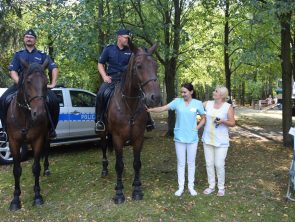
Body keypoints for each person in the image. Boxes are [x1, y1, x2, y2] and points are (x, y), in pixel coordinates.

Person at [0, 29, 59, 142]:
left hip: (38, 87)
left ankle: (51, 129)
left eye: (31, 37)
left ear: (35, 40)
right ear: (24, 39)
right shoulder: (19, 55)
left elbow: (54, 68)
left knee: (54, 101)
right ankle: (4, 131)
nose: (29, 38)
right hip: (20, 85)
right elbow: (12, 70)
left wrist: (53, 83)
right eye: (27, 37)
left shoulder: (42, 55)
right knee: (3, 99)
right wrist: (19, 82)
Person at [148, 83, 205, 196]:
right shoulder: (177, 102)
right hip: (179, 137)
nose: (183, 94)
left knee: (191, 163)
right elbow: (163, 108)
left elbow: (204, 118)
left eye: (185, 92)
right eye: (182, 92)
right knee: (181, 163)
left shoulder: (197, 103)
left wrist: (197, 128)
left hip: (192, 138)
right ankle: (180, 187)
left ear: (191, 92)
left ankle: (191, 187)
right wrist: (151, 110)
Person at [95, 28, 154, 132]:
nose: (128, 40)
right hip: (111, 79)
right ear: (119, 37)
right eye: (126, 38)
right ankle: (99, 121)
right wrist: (104, 76)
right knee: (100, 94)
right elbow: (100, 64)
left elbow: (140, 59)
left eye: (128, 38)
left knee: (142, 94)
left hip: (127, 80)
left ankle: (148, 120)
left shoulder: (132, 51)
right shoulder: (109, 49)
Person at [202, 86, 235, 197]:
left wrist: (223, 121)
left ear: (221, 95)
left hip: (221, 141)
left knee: (219, 164)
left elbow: (232, 123)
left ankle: (221, 187)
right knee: (209, 164)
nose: (213, 92)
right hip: (207, 139)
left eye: (216, 91)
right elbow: (195, 106)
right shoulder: (207, 103)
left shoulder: (228, 107)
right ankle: (211, 186)